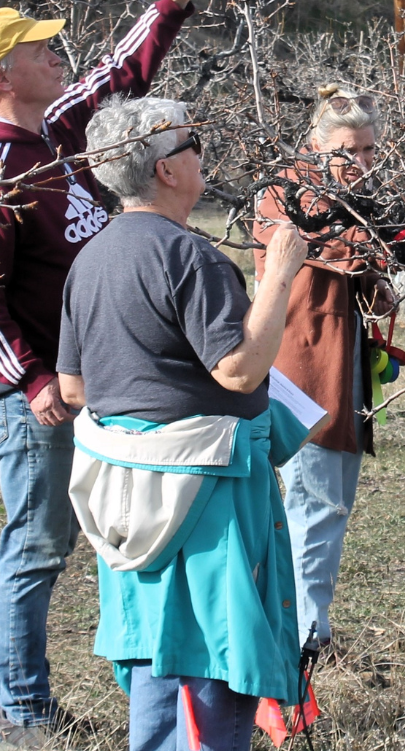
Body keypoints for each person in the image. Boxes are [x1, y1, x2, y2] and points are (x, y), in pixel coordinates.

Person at [0, 0, 217, 747]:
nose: (54, 54)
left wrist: (169, 6)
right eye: (39, 50)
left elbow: (110, 79)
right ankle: (15, 710)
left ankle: (27, 697)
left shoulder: (52, 133)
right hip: (35, 392)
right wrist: (31, 378)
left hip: (85, 379)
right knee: (37, 541)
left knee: (82, 532)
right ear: (2, 75)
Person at [55, 97, 309, 750]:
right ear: (166, 170)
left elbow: (74, 387)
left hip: (122, 491)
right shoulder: (189, 256)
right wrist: (281, 273)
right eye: (192, 143)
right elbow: (239, 371)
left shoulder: (90, 258)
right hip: (205, 493)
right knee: (212, 661)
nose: (201, 154)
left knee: (155, 654)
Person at [253, 84, 396, 658]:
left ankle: (312, 626)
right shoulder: (286, 195)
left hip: (343, 369)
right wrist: (374, 253)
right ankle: (302, 636)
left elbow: (363, 268)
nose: (360, 162)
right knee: (312, 504)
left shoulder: (353, 200)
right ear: (317, 144)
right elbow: (326, 250)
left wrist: (377, 283)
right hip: (302, 372)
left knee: (331, 503)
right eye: (347, 150)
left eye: (368, 150)